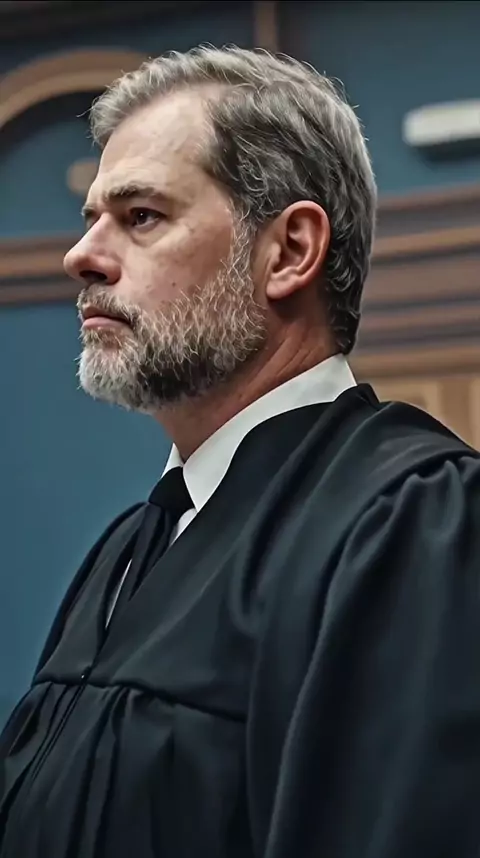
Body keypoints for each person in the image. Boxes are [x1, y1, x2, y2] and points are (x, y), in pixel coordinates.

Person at [1, 45, 480, 858]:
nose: (81, 256)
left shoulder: (409, 525)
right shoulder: (128, 548)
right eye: (91, 219)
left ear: (289, 252)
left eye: (141, 216)